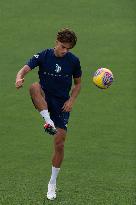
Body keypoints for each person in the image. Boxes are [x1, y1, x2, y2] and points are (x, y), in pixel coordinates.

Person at [15, 28, 82, 200]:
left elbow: (78, 84)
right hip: (44, 98)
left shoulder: (73, 61)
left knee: (59, 143)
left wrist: (71, 101)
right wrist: (19, 77)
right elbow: (24, 69)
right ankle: (47, 121)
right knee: (34, 86)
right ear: (56, 41)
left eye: (68, 48)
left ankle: (52, 183)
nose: (64, 51)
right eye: (62, 46)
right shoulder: (43, 56)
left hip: (61, 105)